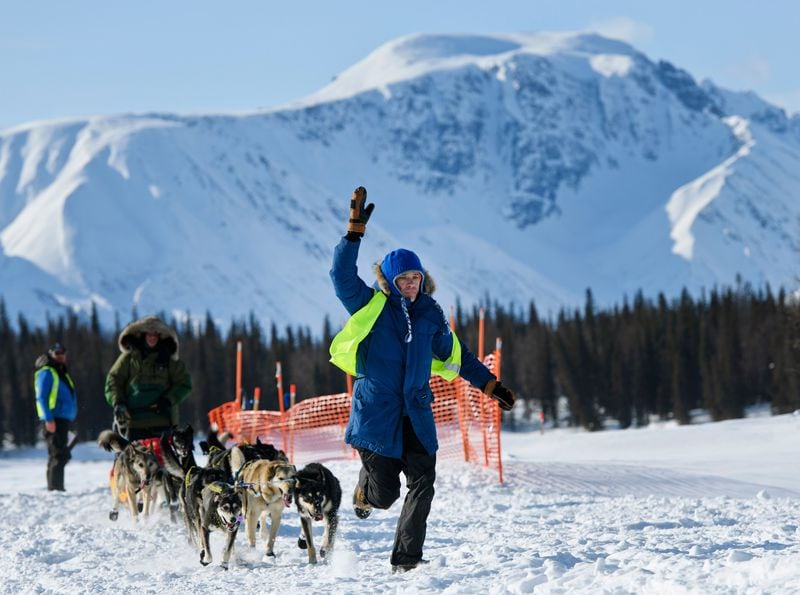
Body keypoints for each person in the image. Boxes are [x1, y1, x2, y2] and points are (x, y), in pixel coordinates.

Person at [329, 186, 516, 573]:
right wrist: (353, 235)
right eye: (404, 279)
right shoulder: (371, 306)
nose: (411, 284)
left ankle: (406, 559)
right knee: (385, 496)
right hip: (378, 413)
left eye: (416, 277)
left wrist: (489, 384)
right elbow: (340, 276)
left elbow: (456, 355)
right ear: (391, 281)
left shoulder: (431, 314)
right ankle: (365, 489)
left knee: (423, 482)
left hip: (415, 411)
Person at [104, 315, 192, 441]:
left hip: (162, 421)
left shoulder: (169, 359)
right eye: (149, 334)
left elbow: (184, 383)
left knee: (162, 460)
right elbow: (113, 380)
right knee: (134, 460)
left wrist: (168, 400)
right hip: (134, 423)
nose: (152, 338)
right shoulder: (128, 358)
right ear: (143, 335)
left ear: (160, 336)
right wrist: (118, 402)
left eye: (155, 335)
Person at [34, 341, 78, 491]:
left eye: (62, 352)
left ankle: (55, 488)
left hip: (62, 419)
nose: (60, 356)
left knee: (59, 454)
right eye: (57, 353)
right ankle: (55, 489)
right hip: (54, 419)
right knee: (58, 455)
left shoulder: (60, 372)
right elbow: (41, 397)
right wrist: (48, 418)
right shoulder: (47, 371)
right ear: (51, 354)